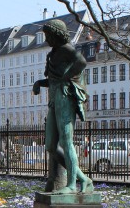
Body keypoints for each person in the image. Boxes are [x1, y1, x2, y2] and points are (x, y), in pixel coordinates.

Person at [32, 19, 92, 193]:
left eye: (48, 35)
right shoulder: (53, 53)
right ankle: (83, 179)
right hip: (54, 98)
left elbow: (81, 62)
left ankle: (72, 185)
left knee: (66, 141)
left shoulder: (67, 49)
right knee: (50, 144)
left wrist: (66, 76)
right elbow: (52, 79)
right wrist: (38, 83)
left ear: (56, 35)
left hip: (65, 96)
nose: (46, 39)